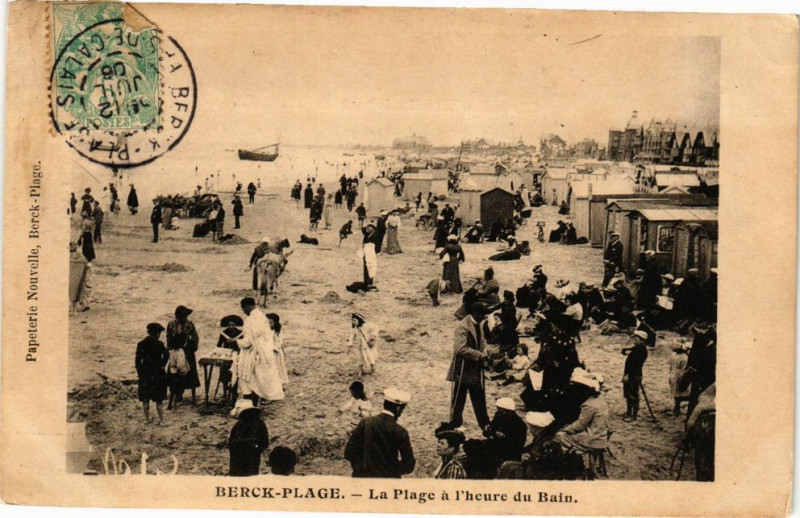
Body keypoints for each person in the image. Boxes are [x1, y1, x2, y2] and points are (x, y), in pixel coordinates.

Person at [344, 387, 415, 478]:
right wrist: (390, 471)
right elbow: (408, 465)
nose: (401, 413)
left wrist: (361, 468)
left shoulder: (365, 423)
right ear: (398, 408)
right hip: (388, 484)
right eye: (402, 409)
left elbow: (349, 452)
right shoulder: (401, 432)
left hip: (362, 480)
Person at [554, 374, 609, 479]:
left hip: (593, 439)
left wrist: (566, 429)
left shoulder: (589, 405)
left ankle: (572, 466)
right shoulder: (600, 400)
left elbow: (580, 425)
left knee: (559, 436)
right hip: (601, 435)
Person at [445, 303, 491, 431]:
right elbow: (460, 349)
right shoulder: (463, 327)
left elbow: (481, 342)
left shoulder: (478, 325)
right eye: (482, 314)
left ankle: (484, 423)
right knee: (460, 397)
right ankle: (456, 422)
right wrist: (480, 355)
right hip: (463, 368)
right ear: (475, 313)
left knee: (478, 395)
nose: (484, 317)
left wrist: (485, 352)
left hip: (474, 367)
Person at [236, 297, 285, 404]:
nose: (243, 312)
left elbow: (248, 341)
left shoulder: (251, 319)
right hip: (265, 353)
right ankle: (255, 405)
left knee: (249, 380)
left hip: (255, 354)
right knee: (259, 380)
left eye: (243, 309)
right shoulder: (261, 316)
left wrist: (236, 342)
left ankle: (250, 406)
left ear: (247, 307)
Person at [135, 323, 169, 425]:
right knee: (159, 399)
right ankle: (162, 420)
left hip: (145, 373)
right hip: (157, 373)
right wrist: (162, 365)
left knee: (145, 398)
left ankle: (146, 419)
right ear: (158, 333)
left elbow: (137, 361)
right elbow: (166, 354)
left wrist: (140, 372)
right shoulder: (159, 345)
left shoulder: (141, 344)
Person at [167, 305, 201, 404]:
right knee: (174, 373)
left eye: (184, 316)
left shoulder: (189, 324)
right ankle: (178, 394)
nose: (183, 318)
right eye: (181, 316)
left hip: (188, 351)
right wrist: (170, 346)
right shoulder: (171, 324)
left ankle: (193, 396)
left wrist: (192, 347)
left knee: (191, 373)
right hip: (176, 350)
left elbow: (195, 337)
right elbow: (168, 336)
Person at [228, 399, 270, 476]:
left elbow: (230, 443)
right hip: (252, 459)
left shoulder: (238, 425)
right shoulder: (260, 423)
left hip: (238, 459)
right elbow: (265, 443)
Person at [484, 398, 527, 469]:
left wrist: (505, 437)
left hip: (508, 452)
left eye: (501, 411)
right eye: (498, 410)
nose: (498, 413)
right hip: (495, 446)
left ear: (509, 412)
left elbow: (518, 445)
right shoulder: (499, 416)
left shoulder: (519, 425)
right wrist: (490, 431)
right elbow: (490, 430)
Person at [621, 330, 649, 422]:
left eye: (636, 339)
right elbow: (627, 350)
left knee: (633, 396)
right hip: (630, 374)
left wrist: (628, 375)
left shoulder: (641, 351)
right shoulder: (638, 348)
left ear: (642, 340)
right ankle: (629, 412)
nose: (634, 340)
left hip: (633, 375)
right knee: (628, 394)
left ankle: (633, 415)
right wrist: (626, 350)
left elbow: (635, 366)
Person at [668, 342, 690, 416]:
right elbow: (670, 365)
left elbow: (684, 369)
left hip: (679, 374)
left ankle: (677, 407)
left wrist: (681, 377)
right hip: (673, 374)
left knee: (680, 391)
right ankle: (677, 407)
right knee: (675, 391)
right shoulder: (673, 355)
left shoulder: (684, 357)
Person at [69, 242, 90, 313]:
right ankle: (79, 306)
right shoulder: (81, 258)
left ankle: (75, 308)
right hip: (79, 276)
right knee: (79, 288)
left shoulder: (69, 257)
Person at [358, 225, 379, 291]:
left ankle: (370, 282)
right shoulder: (367, 236)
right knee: (367, 268)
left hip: (371, 254)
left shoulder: (374, 236)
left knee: (371, 267)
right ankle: (367, 282)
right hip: (366, 253)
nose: (368, 230)